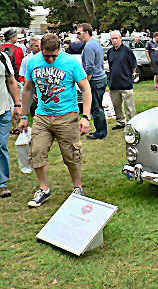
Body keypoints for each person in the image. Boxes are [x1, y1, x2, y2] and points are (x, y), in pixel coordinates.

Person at [20, 33, 92, 207]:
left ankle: (77, 187)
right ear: (40, 49)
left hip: (67, 116)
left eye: (54, 55)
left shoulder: (71, 62)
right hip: (42, 116)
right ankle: (44, 189)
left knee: (71, 154)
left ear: (60, 49)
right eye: (46, 55)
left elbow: (86, 89)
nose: (50, 59)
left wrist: (86, 116)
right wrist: (23, 115)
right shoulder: (33, 62)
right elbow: (28, 89)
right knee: (37, 152)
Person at [78, 23, 108, 140]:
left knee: (96, 107)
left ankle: (100, 132)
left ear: (86, 32)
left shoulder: (89, 46)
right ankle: (101, 130)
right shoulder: (95, 43)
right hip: (101, 78)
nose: (78, 36)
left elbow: (90, 67)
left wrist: (86, 82)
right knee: (98, 106)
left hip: (95, 80)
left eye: (79, 33)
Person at [0, 51, 22, 198]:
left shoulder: (3, 57)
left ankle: (2, 184)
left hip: (4, 109)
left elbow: (11, 81)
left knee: (1, 146)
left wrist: (17, 104)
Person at [107, 31, 137, 130]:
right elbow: (111, 66)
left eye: (116, 38)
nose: (115, 41)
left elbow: (133, 66)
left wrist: (128, 75)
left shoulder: (127, 51)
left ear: (121, 39)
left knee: (130, 107)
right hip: (114, 84)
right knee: (117, 106)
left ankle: (133, 123)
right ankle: (121, 122)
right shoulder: (110, 51)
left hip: (126, 83)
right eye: (113, 39)